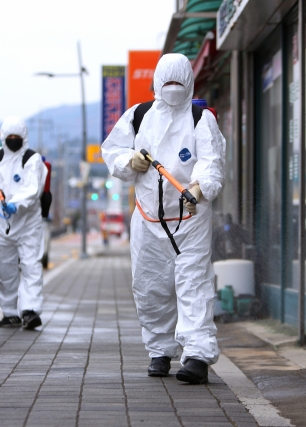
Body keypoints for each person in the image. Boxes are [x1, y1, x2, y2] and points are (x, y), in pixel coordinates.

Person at [101, 53, 226, 384]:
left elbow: (211, 160)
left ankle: (197, 356)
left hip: (190, 219)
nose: (172, 88)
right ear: (157, 81)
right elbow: (111, 150)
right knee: (149, 286)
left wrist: (200, 189)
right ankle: (159, 350)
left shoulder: (201, 119)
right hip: (147, 219)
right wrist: (131, 160)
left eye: (178, 81)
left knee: (193, 285)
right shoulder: (139, 116)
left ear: (189, 81)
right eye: (167, 81)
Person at [0, 116, 48, 330]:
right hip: (3, 223)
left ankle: (30, 310)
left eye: (16, 137)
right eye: (9, 137)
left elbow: (32, 189)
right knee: (4, 268)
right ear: (2, 138)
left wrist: (16, 204)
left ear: (24, 138)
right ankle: (10, 312)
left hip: (28, 223)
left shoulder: (32, 159)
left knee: (31, 265)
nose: (12, 140)